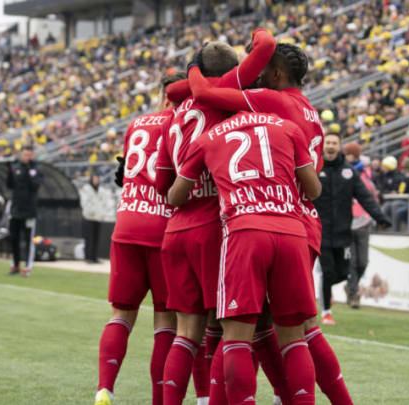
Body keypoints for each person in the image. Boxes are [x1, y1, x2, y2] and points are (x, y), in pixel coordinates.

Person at [187, 42, 355, 405]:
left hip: (269, 217)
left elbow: (205, 92)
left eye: (262, 69)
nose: (256, 76)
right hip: (298, 220)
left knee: (241, 330)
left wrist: (201, 65)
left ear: (276, 74)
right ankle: (294, 397)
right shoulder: (308, 110)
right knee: (281, 328)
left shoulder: (273, 103)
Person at [168, 110, 322, 405]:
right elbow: (313, 189)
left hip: (244, 233)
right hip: (291, 232)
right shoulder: (287, 127)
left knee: (236, 338)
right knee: (295, 340)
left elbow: (176, 196)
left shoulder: (208, 137)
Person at [156, 31, 274, 405]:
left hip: (176, 227)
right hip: (216, 223)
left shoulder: (174, 114)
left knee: (185, 332)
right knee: (234, 328)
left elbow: (163, 182)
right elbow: (266, 48)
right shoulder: (226, 91)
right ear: (233, 71)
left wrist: (191, 69)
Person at [94, 73, 183, 405]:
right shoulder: (182, 123)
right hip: (162, 226)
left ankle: (105, 387)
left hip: (127, 221)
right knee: (165, 318)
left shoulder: (137, 124)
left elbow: (128, 170)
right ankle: (159, 399)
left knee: (121, 313)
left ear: (162, 95)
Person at [314, 133, 390, 325]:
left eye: (334, 143)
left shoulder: (349, 172)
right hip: (320, 233)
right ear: (323, 146)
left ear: (339, 147)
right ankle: (326, 312)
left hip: (343, 234)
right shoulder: (315, 169)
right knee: (328, 272)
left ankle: (330, 291)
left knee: (344, 273)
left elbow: (365, 197)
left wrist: (380, 218)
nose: (330, 146)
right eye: (328, 143)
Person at [343, 142, 379, 309]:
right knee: (352, 260)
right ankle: (353, 293)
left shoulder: (365, 175)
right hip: (347, 223)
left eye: (350, 154)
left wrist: (375, 215)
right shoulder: (341, 172)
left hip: (364, 222)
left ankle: (351, 287)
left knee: (363, 262)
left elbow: (372, 196)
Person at [6, 145, 43, 277]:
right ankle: (15, 265)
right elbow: (9, 185)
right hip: (15, 209)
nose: (26, 157)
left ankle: (27, 267)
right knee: (14, 238)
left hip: (29, 211)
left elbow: (35, 186)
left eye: (29, 154)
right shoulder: (15, 166)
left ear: (32, 155)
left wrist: (28, 172)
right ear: (21, 154)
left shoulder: (36, 169)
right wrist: (9, 172)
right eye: (24, 154)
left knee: (28, 240)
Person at [79, 173, 107, 264]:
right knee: (89, 239)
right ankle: (88, 257)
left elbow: (103, 203)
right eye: (94, 179)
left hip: (98, 217)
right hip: (88, 217)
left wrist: (102, 213)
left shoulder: (101, 190)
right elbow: (84, 202)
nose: (96, 180)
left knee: (96, 238)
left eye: (97, 179)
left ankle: (94, 257)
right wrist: (89, 212)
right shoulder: (86, 189)